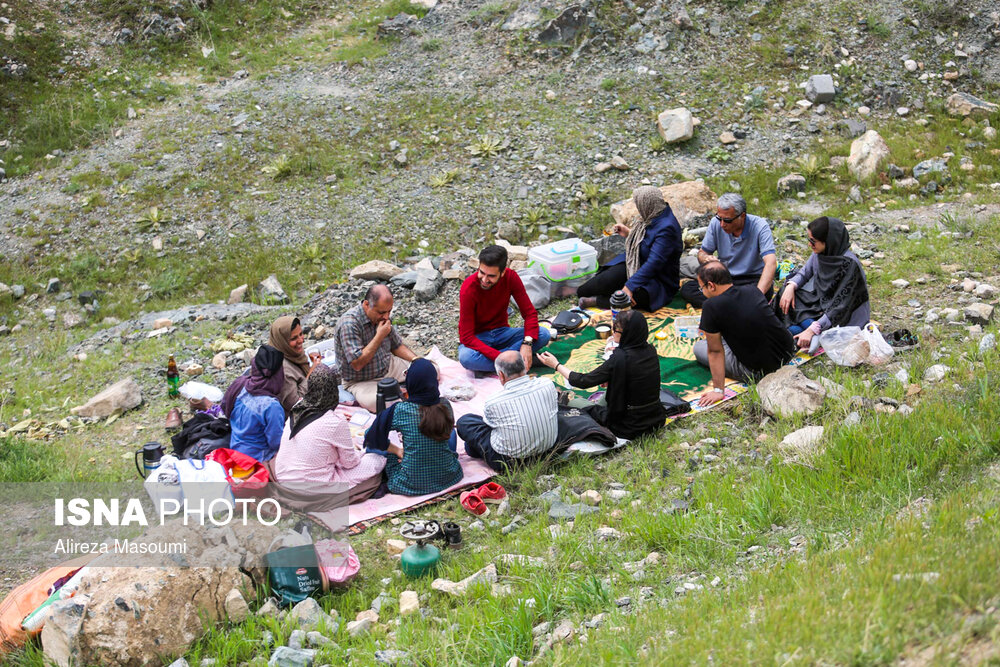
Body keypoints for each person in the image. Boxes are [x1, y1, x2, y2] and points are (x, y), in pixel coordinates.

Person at [539, 310, 665, 439]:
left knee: (576, 403)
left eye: (616, 330)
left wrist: (556, 365)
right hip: (655, 417)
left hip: (628, 425)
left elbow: (583, 381)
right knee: (607, 396)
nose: (613, 333)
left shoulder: (619, 358)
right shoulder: (650, 349)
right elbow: (635, 374)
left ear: (626, 334)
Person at [274, 364, 386, 499]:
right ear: (334, 391)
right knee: (375, 460)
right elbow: (350, 463)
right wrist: (362, 451)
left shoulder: (298, 407)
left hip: (284, 477)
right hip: (312, 487)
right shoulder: (335, 422)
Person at [692, 262, 796, 407]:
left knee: (699, 347)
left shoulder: (711, 306)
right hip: (788, 351)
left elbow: (714, 351)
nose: (702, 292)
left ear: (711, 285)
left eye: (701, 287)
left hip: (758, 370)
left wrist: (718, 390)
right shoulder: (752, 290)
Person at [362, 358, 463, 496]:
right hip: (449, 476)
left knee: (372, 447)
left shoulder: (400, 410)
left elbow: (371, 436)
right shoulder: (445, 405)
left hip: (409, 484)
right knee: (450, 435)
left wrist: (397, 450)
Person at [577, 185, 682, 311]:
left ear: (647, 205)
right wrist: (629, 233)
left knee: (635, 298)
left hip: (659, 278)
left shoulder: (667, 228)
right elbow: (649, 240)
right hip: (636, 264)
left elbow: (654, 263)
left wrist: (629, 287)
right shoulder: (655, 214)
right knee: (591, 287)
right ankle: (596, 294)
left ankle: (596, 301)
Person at [456, 350, 559, 472]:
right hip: (548, 449)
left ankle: (475, 450)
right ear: (525, 366)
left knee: (465, 422)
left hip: (507, 462)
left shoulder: (494, 402)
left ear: (501, 375)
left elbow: (490, 426)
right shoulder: (546, 384)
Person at [777, 216, 870, 350]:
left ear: (828, 241)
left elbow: (839, 307)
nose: (809, 244)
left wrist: (812, 329)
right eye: (809, 240)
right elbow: (804, 273)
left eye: (813, 241)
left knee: (791, 326)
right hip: (823, 303)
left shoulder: (849, 265)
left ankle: (807, 332)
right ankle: (807, 333)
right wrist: (791, 286)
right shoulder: (821, 254)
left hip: (844, 317)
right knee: (785, 294)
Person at [458, 245, 551, 373]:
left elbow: (529, 313)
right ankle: (515, 362)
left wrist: (527, 344)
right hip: (479, 338)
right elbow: (466, 336)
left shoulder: (511, 277)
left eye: (491, 276)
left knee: (543, 334)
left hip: (502, 332)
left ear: (502, 273)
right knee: (466, 358)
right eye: (481, 272)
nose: (484, 280)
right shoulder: (469, 288)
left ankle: (499, 365)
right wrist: (499, 356)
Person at [679, 193, 778, 308]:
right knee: (688, 289)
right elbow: (702, 252)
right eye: (719, 218)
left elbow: (771, 263)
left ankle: (725, 304)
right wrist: (706, 258)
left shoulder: (760, 226)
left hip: (752, 279)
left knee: (763, 292)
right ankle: (737, 305)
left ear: (743, 216)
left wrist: (756, 296)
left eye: (727, 220)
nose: (722, 224)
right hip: (726, 278)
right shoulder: (715, 223)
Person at [335, 285, 419, 413]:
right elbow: (357, 364)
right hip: (361, 380)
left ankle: (400, 390)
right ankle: (401, 395)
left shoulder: (383, 317)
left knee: (429, 370)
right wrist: (379, 335)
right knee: (381, 402)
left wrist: (416, 360)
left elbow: (396, 346)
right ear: (367, 304)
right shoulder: (349, 324)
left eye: (389, 311)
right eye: (381, 312)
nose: (386, 317)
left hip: (388, 367)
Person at [222, 345, 287, 462]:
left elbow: (225, 407)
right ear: (278, 375)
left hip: (235, 450)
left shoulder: (239, 384)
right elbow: (276, 443)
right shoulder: (271, 406)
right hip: (258, 460)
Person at [268, 315, 321, 416]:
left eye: (301, 334)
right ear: (282, 341)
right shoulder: (281, 369)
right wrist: (312, 373)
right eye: (294, 338)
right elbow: (296, 404)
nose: (301, 340)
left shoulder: (290, 352)